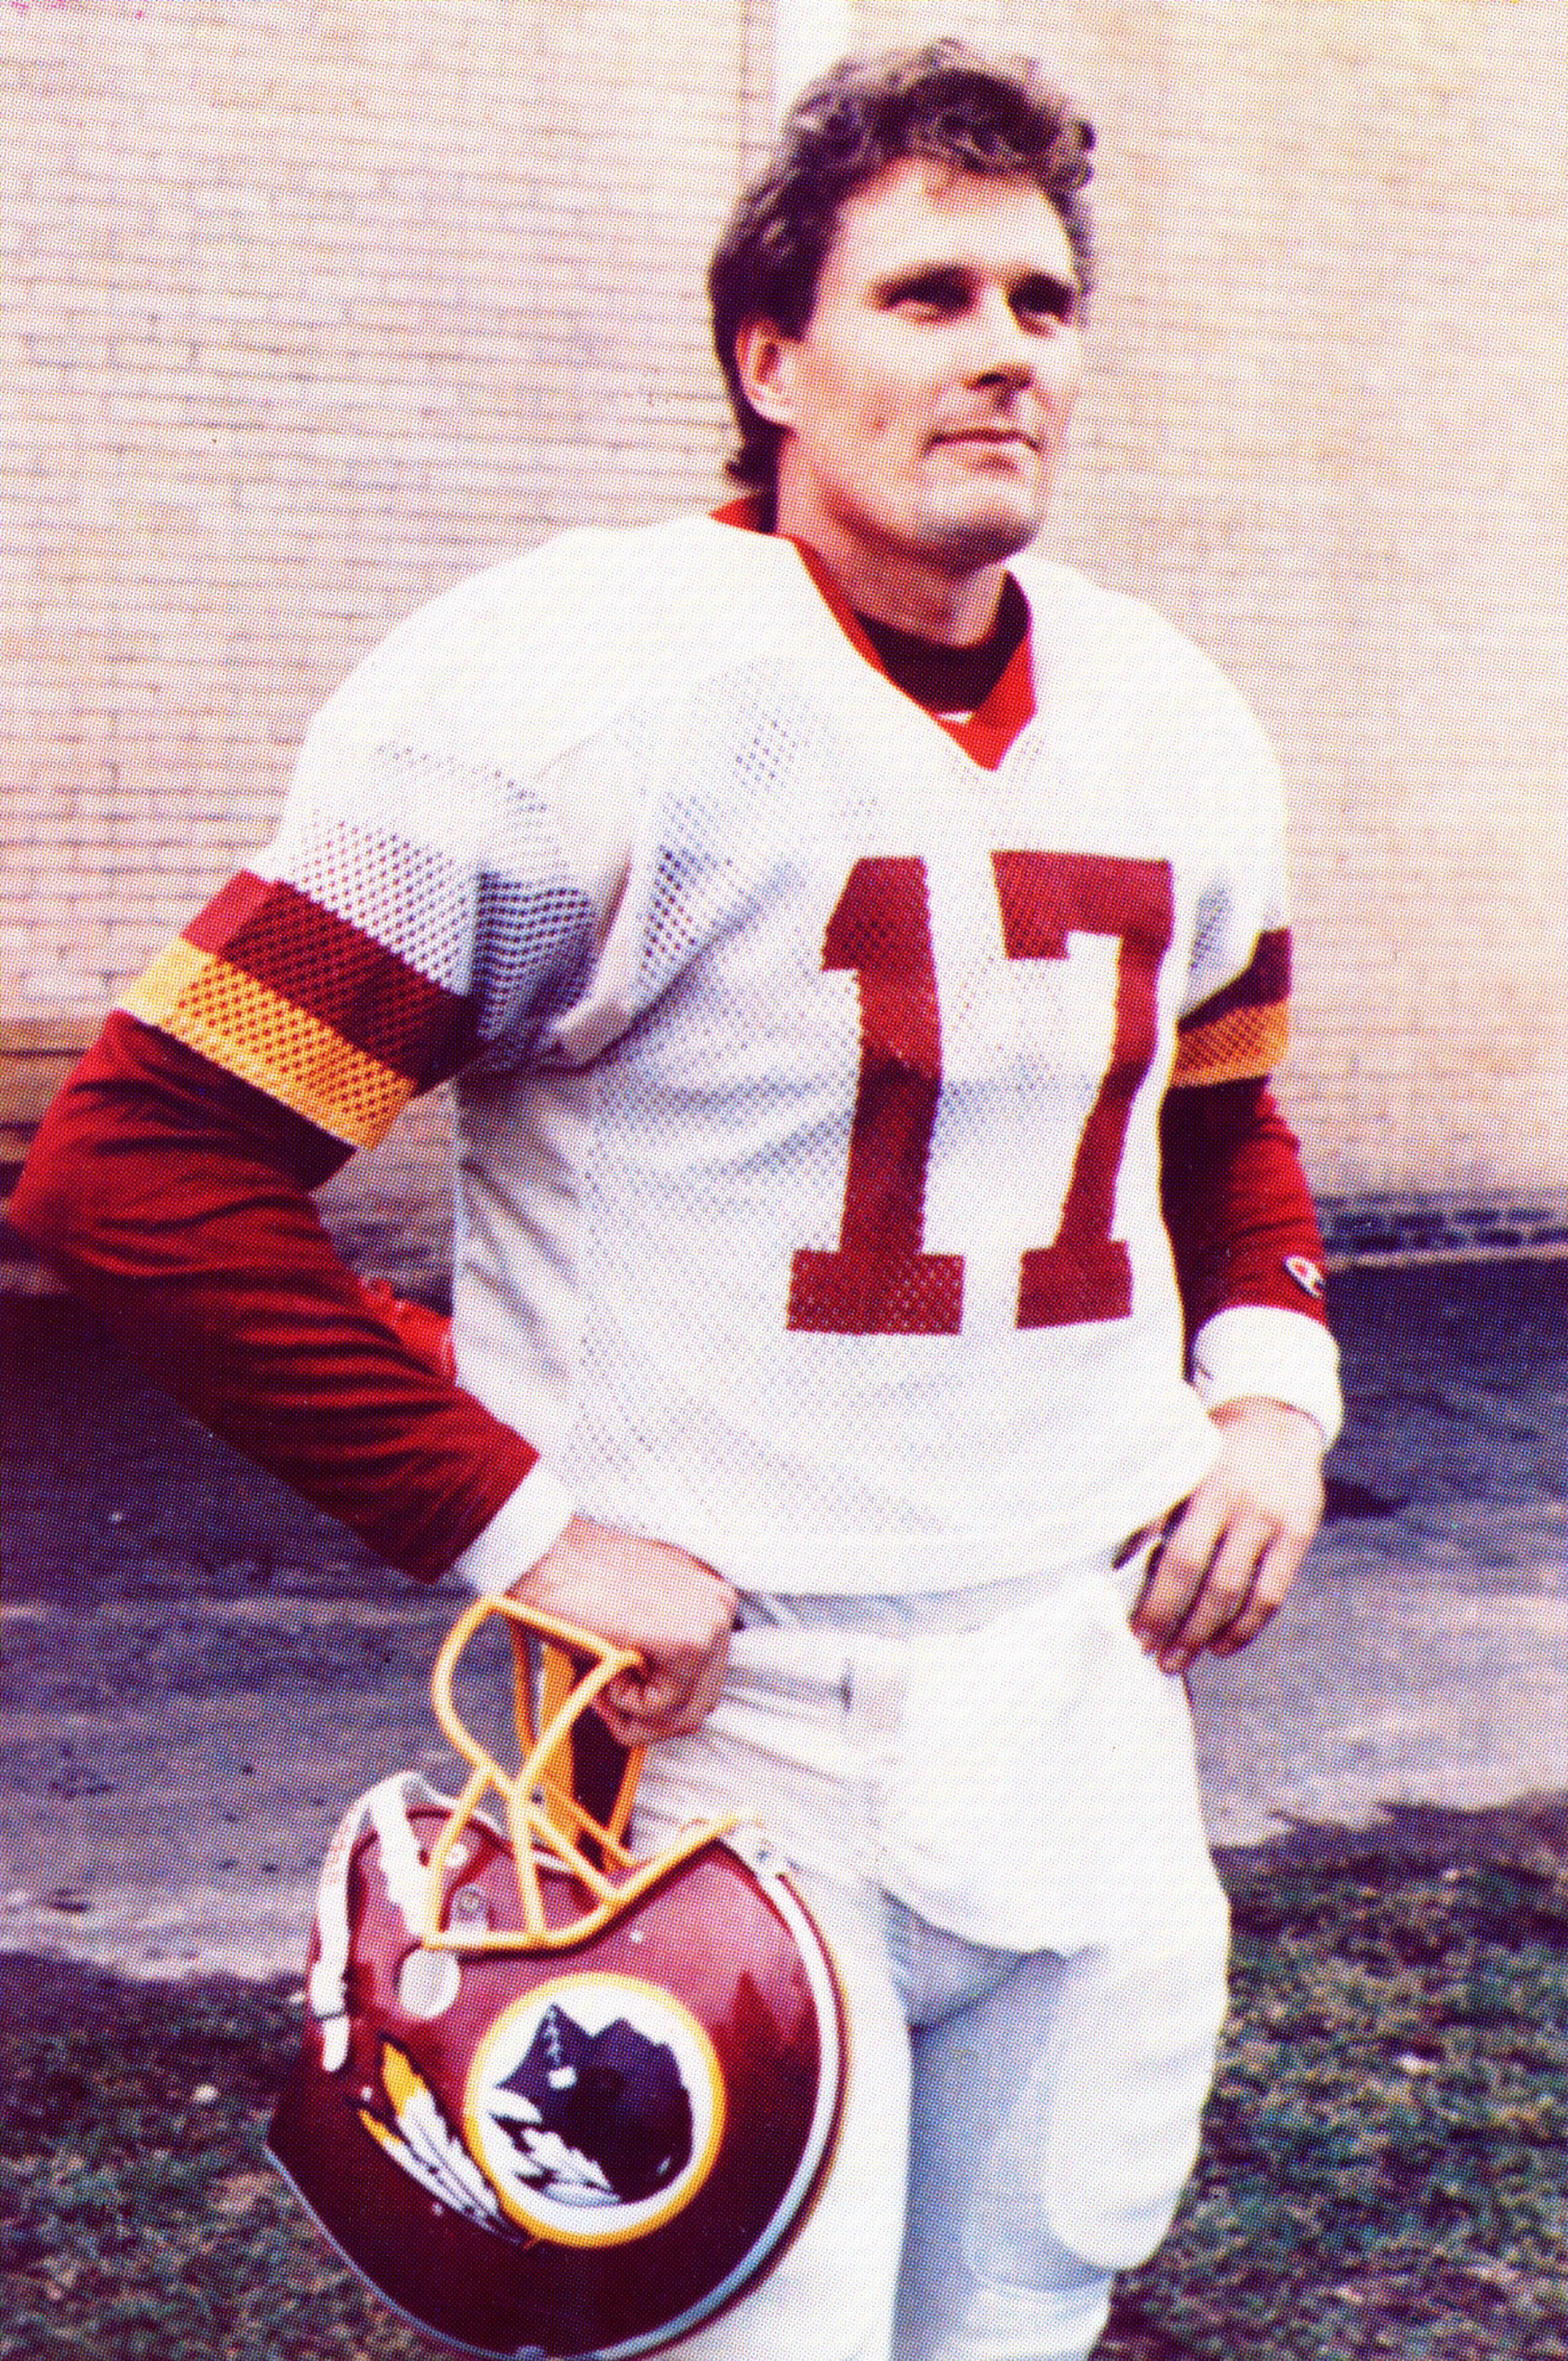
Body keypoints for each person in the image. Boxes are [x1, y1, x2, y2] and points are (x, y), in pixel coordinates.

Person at [13, 40, 1340, 2361]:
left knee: (1027, 2309)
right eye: (928, 294)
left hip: (1085, 1691)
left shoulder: (1175, 712)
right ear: (770, 355)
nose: (1007, 346)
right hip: (716, 1735)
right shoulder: (576, 691)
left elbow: (1217, 1110)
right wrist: (520, 1527)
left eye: (1043, 298)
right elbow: (144, 1165)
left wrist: (1271, 1390)